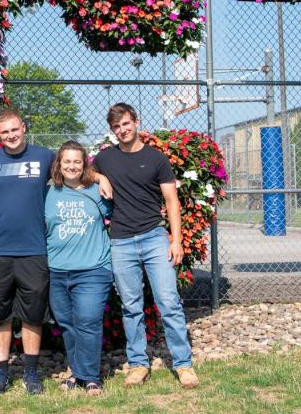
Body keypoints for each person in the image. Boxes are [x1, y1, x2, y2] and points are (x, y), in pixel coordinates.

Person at [93, 103, 199, 389]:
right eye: (116, 127)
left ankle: (183, 364)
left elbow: (171, 201)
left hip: (154, 238)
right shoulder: (104, 159)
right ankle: (138, 364)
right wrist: (100, 176)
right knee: (131, 307)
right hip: (121, 241)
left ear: (136, 122)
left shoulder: (156, 159)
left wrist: (176, 240)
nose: (122, 130)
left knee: (169, 302)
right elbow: (83, 173)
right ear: (112, 130)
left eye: (126, 124)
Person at [0, 108, 56, 395]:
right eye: (4, 132)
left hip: (34, 249)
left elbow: (76, 170)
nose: (11, 135)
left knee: (33, 314)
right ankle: (1, 373)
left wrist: (102, 178)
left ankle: (31, 373)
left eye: (14, 129)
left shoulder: (45, 157)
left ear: (23, 127)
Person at [45, 141, 114, 396]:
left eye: (77, 161)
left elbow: (119, 216)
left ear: (85, 164)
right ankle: (77, 371)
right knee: (67, 323)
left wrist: (102, 177)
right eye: (67, 162)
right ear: (59, 165)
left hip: (93, 269)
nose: (72, 166)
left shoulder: (98, 190)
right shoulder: (48, 193)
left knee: (88, 320)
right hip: (57, 269)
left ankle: (90, 377)